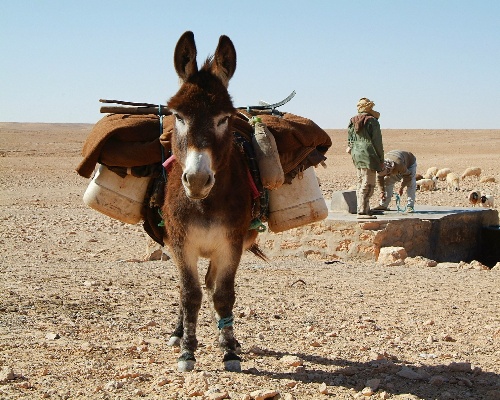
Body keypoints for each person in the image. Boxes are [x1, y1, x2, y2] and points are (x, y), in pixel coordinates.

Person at [346, 98, 384, 219]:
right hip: (369, 154)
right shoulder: (372, 121)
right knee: (368, 183)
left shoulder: (352, 121)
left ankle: (363, 208)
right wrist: (381, 160)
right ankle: (363, 210)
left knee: (360, 181)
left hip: (356, 153)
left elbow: (350, 140)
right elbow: (377, 142)